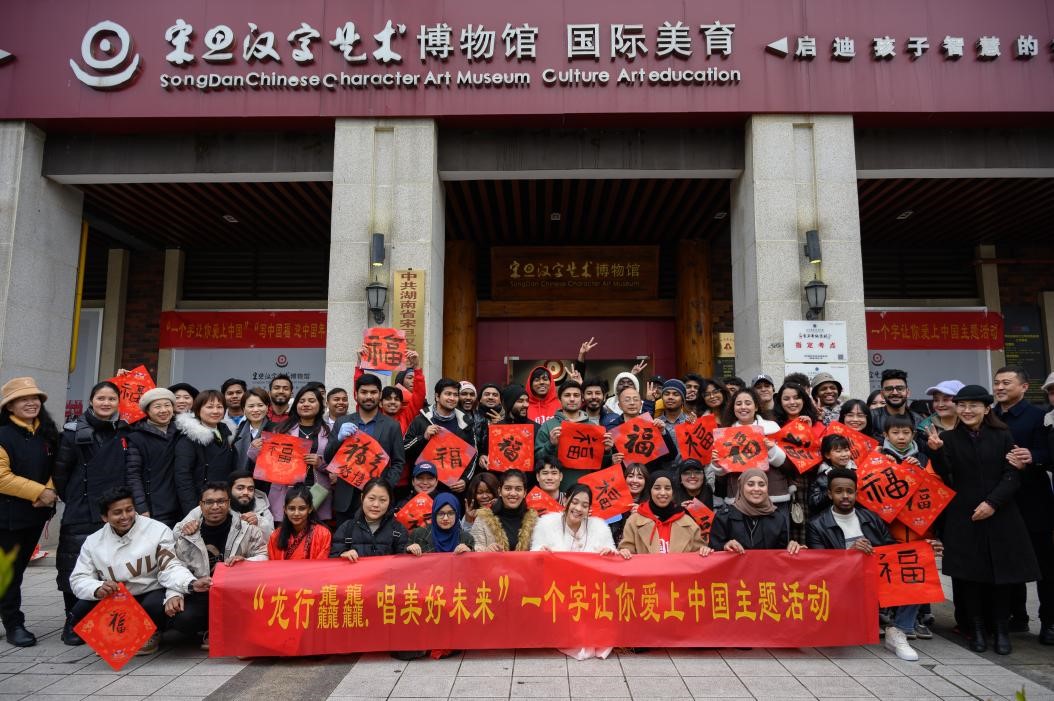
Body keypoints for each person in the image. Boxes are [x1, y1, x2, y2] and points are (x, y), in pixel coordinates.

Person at [926, 384, 1040, 655]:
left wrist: (992, 503)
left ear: (987, 409)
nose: (967, 410)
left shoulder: (1002, 435)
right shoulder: (949, 438)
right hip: (964, 516)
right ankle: (976, 629)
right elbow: (946, 475)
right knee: (970, 578)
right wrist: (936, 452)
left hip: (1001, 515)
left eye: (974, 405)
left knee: (1001, 577)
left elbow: (1012, 474)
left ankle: (1001, 630)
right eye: (962, 405)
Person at [806, 468, 941, 661]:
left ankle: (898, 631)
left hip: (875, 579)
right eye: (839, 491)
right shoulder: (817, 524)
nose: (845, 496)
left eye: (850, 491)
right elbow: (820, 565)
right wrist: (850, 553)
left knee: (914, 569)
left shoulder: (871, 518)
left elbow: (893, 552)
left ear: (856, 493)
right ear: (829, 494)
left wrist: (923, 549)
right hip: (842, 585)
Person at [69, 487, 210, 656]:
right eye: (117, 513)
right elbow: (78, 578)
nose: (125, 516)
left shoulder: (157, 530)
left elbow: (171, 567)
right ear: (105, 517)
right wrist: (97, 587)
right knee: (79, 611)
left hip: (152, 592)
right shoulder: (93, 542)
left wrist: (190, 584)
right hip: (118, 598)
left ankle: (150, 633)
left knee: (155, 607)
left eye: (129, 510)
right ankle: (120, 636)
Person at [53, 380, 129, 646]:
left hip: (115, 510)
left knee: (109, 567)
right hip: (81, 508)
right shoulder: (72, 433)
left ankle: (101, 618)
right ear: (91, 401)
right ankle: (72, 620)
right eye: (101, 398)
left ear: (118, 402)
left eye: (111, 399)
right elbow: (60, 474)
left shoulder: (123, 431)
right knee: (73, 565)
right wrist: (77, 497)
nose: (106, 403)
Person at [991, 366, 1054, 642]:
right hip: (1001, 501)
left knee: (1044, 566)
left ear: (1024, 387)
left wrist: (1033, 456)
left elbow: (1049, 454)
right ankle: (1016, 617)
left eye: (1006, 382)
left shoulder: (1040, 417)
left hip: (1033, 501)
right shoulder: (989, 415)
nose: (1000, 387)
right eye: (997, 383)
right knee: (1007, 562)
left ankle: (1049, 622)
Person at [173, 481, 268, 649]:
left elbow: (265, 556)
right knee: (183, 619)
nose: (215, 506)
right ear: (200, 505)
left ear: (229, 503)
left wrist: (245, 563)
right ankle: (209, 627)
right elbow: (176, 566)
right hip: (203, 591)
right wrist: (177, 592)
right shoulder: (188, 533)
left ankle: (223, 630)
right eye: (209, 502)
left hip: (237, 591)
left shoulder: (247, 529)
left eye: (221, 501)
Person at [0, 377, 59, 647]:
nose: (31, 403)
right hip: (6, 518)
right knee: (9, 572)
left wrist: (50, 490)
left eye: (35, 398)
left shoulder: (47, 433)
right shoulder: (3, 434)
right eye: (23, 399)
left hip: (35, 516)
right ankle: (14, 624)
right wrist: (40, 492)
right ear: (9, 406)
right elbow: (2, 477)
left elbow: (59, 466)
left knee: (17, 570)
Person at [325, 375, 406, 524]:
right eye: (364, 392)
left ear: (380, 395)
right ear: (356, 395)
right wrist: (339, 440)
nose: (369, 396)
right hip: (346, 499)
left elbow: (398, 462)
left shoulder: (392, 426)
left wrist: (385, 486)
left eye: (373, 392)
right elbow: (328, 457)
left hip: (377, 500)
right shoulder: (342, 422)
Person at [713, 388, 790, 514]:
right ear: (733, 408)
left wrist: (772, 449)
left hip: (773, 495)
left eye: (748, 403)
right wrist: (717, 464)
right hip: (738, 497)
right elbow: (722, 476)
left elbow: (785, 464)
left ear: (756, 407)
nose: (743, 407)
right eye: (738, 404)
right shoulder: (725, 434)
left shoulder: (772, 427)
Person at [265, 385, 334, 521]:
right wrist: (255, 448)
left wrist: (320, 464)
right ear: (296, 405)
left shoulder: (330, 431)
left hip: (317, 492)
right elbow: (267, 463)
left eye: (311, 401)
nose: (306, 404)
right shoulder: (281, 429)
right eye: (301, 401)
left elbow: (338, 466)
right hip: (286, 490)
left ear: (320, 405)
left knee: (316, 531)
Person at [705, 468, 804, 555]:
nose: (756, 489)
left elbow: (781, 555)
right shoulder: (724, 517)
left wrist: (791, 548)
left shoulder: (778, 518)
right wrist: (724, 546)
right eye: (750, 484)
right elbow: (713, 551)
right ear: (741, 486)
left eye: (761, 484)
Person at [403, 378, 478, 493]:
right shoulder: (420, 420)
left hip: (453, 488)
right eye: (448, 394)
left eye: (455, 395)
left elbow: (473, 455)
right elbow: (404, 448)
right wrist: (423, 437)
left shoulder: (465, 423)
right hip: (424, 486)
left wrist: (465, 480)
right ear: (437, 396)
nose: (452, 398)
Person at [535, 381, 612, 491]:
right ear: (560, 399)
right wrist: (550, 444)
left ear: (582, 399)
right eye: (567, 395)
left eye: (576, 395)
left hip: (584, 491)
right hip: (555, 491)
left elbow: (601, 466)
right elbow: (537, 459)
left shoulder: (593, 428)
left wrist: (607, 451)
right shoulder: (548, 426)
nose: (572, 399)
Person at [174, 390, 238, 517]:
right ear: (198, 410)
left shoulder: (227, 434)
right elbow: (183, 477)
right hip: (202, 502)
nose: (215, 411)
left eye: (219, 407)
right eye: (209, 407)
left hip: (224, 500)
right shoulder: (189, 438)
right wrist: (193, 511)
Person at [126, 388, 182, 528]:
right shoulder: (136, 438)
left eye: (167, 405)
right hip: (154, 508)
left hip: (181, 505)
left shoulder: (182, 432)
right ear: (147, 411)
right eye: (157, 406)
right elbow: (133, 475)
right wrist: (141, 508)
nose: (163, 410)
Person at [618, 470, 706, 556]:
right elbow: (627, 549)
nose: (663, 493)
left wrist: (704, 550)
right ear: (650, 490)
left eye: (667, 488)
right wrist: (624, 551)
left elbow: (699, 553)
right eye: (657, 488)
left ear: (673, 491)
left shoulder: (688, 522)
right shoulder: (633, 521)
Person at [330, 478, 408, 560]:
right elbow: (333, 559)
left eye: (382, 500)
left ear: (389, 502)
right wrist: (343, 555)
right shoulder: (347, 528)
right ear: (362, 498)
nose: (376, 504)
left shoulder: (398, 530)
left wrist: (410, 551)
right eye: (371, 498)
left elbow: (405, 563)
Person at [471, 469, 539, 551]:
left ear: (524, 493)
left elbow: (540, 549)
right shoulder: (482, 519)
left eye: (518, 489)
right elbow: (473, 548)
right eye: (508, 488)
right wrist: (486, 550)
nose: (513, 493)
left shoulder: (534, 521)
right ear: (500, 491)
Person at [267, 486, 331, 560]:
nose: (296, 513)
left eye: (302, 508)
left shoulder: (323, 534)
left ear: (310, 509)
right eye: (291, 509)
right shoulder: (275, 536)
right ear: (285, 509)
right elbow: (273, 564)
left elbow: (321, 564)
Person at [407, 493, 475, 555]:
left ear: (457, 515)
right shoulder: (419, 534)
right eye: (441, 513)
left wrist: (468, 552)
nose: (445, 518)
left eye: (450, 513)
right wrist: (410, 549)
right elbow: (405, 559)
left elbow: (473, 562)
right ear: (434, 514)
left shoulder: (466, 538)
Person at [870, 370, 925, 439]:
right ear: (882, 394)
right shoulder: (871, 417)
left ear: (908, 393)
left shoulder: (918, 420)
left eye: (900, 388)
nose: (895, 393)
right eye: (889, 389)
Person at [808, 434, 855, 513]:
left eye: (846, 450)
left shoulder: (856, 471)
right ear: (827, 455)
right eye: (838, 451)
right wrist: (833, 490)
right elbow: (814, 502)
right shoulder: (821, 477)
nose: (844, 454)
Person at [233, 387, 272, 471]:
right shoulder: (236, 432)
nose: (256, 410)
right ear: (244, 409)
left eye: (260, 405)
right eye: (251, 406)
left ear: (267, 407)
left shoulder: (276, 430)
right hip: (241, 477)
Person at [609, 462, 649, 544]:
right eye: (630, 476)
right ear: (624, 479)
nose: (634, 481)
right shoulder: (611, 502)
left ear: (646, 481)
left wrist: (643, 514)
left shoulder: (651, 505)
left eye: (640, 477)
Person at [227, 469, 275, 537]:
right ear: (230, 490)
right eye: (240, 488)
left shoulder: (263, 511)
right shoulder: (220, 509)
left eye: (250, 489)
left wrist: (260, 523)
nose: (246, 492)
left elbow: (272, 538)